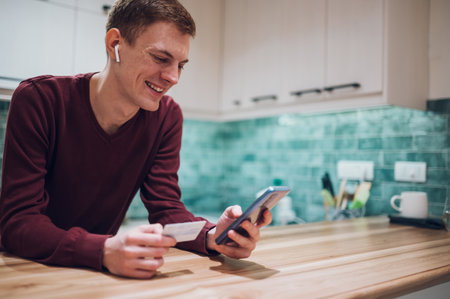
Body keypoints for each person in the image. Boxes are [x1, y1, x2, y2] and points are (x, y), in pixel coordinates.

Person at [0, 0, 272, 279]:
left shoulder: (166, 117)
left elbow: (166, 209)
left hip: (95, 274)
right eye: (160, 58)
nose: (173, 77)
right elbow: (18, 223)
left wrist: (213, 235)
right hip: (25, 270)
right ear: (115, 43)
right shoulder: (39, 100)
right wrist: (103, 250)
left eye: (181, 65)